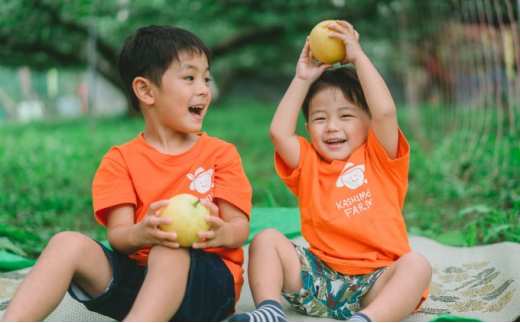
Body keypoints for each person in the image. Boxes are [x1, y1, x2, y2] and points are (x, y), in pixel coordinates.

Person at [3, 25, 252, 322]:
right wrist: (141, 232)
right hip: (139, 286)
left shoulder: (219, 154)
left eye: (206, 78)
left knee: (166, 249)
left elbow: (239, 227)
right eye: (189, 77)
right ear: (146, 90)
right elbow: (119, 236)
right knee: (65, 243)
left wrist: (220, 232)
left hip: (208, 288)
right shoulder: (120, 160)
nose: (203, 88)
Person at [228, 20, 431, 322]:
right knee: (265, 239)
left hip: (374, 284)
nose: (332, 126)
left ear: (369, 123)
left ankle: (369, 319)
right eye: (320, 119)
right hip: (318, 281)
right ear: (308, 128)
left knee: (417, 265)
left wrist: (359, 57)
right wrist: (302, 78)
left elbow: (386, 111)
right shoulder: (308, 162)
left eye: (346, 115)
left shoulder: (380, 157)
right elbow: (279, 133)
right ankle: (269, 311)